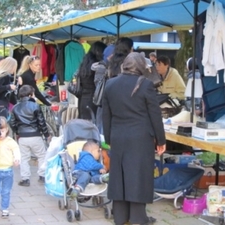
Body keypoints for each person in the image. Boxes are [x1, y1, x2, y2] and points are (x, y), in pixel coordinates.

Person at [102, 52, 166, 225]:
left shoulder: (110, 84)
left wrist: (108, 138)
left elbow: (105, 115)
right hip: (141, 138)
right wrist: (161, 140)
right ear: (140, 66)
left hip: (118, 136)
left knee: (119, 176)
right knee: (138, 175)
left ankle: (121, 217)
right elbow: (155, 115)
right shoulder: (146, 85)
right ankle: (138, 217)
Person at [10, 85, 51, 186]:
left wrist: (17, 132)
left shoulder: (15, 108)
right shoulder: (35, 106)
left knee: (24, 158)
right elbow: (42, 122)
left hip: (22, 137)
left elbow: (12, 123)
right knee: (41, 156)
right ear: (30, 94)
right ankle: (42, 176)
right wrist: (46, 135)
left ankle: (25, 179)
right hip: (35, 135)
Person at [0, 116, 20, 218]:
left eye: (3, 131)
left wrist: (17, 158)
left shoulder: (10, 141)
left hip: (8, 171)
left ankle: (5, 208)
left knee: (6, 191)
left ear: (7, 130)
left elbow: (16, 150)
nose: (1, 134)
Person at [77, 41, 106, 120]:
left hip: (82, 99)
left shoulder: (84, 64)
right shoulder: (97, 66)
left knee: (84, 125)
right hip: (94, 100)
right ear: (98, 52)